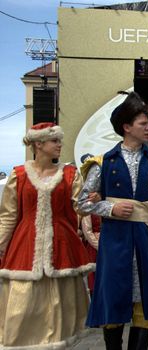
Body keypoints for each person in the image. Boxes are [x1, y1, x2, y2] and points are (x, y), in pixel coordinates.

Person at [78, 91, 148, 349]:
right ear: (126, 127)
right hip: (116, 244)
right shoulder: (102, 163)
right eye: (143, 123)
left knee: (146, 302)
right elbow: (82, 203)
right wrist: (109, 209)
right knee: (114, 300)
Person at [0, 122, 94, 348]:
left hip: (62, 246)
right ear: (38, 144)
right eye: (55, 141)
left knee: (59, 308)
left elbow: (81, 208)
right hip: (24, 247)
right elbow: (8, 215)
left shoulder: (70, 174)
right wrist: (1, 244)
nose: (60, 145)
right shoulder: (19, 175)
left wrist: (92, 201)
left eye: (59, 140)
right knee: (22, 308)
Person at [79, 153, 101, 297]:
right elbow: (87, 229)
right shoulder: (85, 200)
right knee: (95, 278)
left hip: (109, 242)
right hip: (95, 246)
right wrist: (98, 245)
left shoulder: (104, 196)